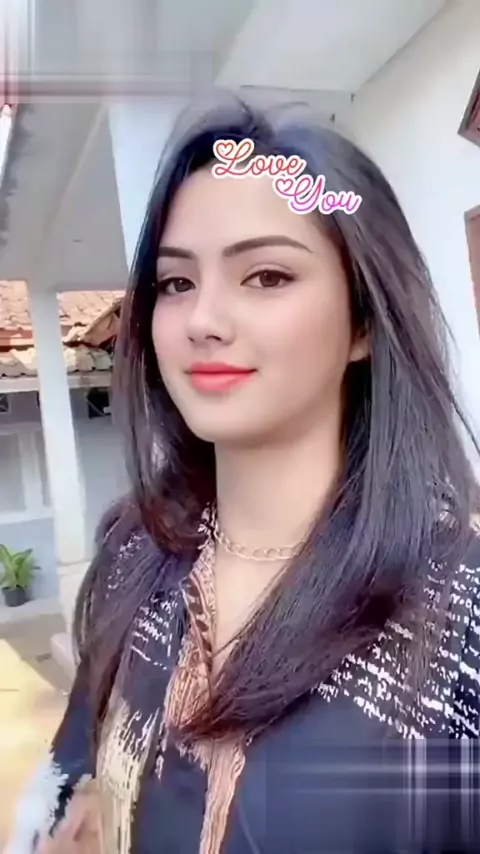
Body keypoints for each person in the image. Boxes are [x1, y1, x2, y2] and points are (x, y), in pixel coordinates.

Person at [5, 96, 480, 854]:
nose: (203, 320)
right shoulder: (134, 552)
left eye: (265, 275)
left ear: (363, 321)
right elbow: (71, 772)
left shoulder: (458, 616)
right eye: (176, 283)